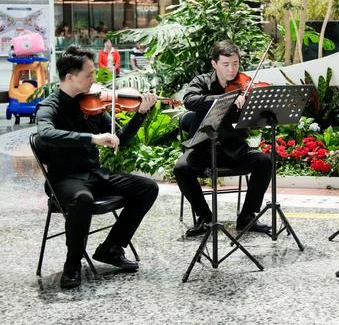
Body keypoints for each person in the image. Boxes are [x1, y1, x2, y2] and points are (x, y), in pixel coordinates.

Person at [36, 45, 159, 290]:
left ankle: (111, 248)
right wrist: (91, 138)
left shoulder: (92, 104)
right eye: (89, 74)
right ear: (70, 76)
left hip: (95, 175)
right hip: (64, 179)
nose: (95, 79)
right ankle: (72, 263)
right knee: (82, 199)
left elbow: (119, 137)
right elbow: (46, 134)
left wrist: (141, 114)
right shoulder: (50, 107)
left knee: (147, 187)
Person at [174, 40, 272, 237]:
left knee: (264, 161)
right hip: (203, 146)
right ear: (214, 64)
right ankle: (205, 217)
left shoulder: (244, 85)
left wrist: (252, 108)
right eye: (226, 64)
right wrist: (223, 100)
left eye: (235, 64)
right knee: (181, 168)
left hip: (233, 147)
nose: (231, 69)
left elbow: (252, 121)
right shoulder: (201, 82)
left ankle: (247, 216)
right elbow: (189, 101)